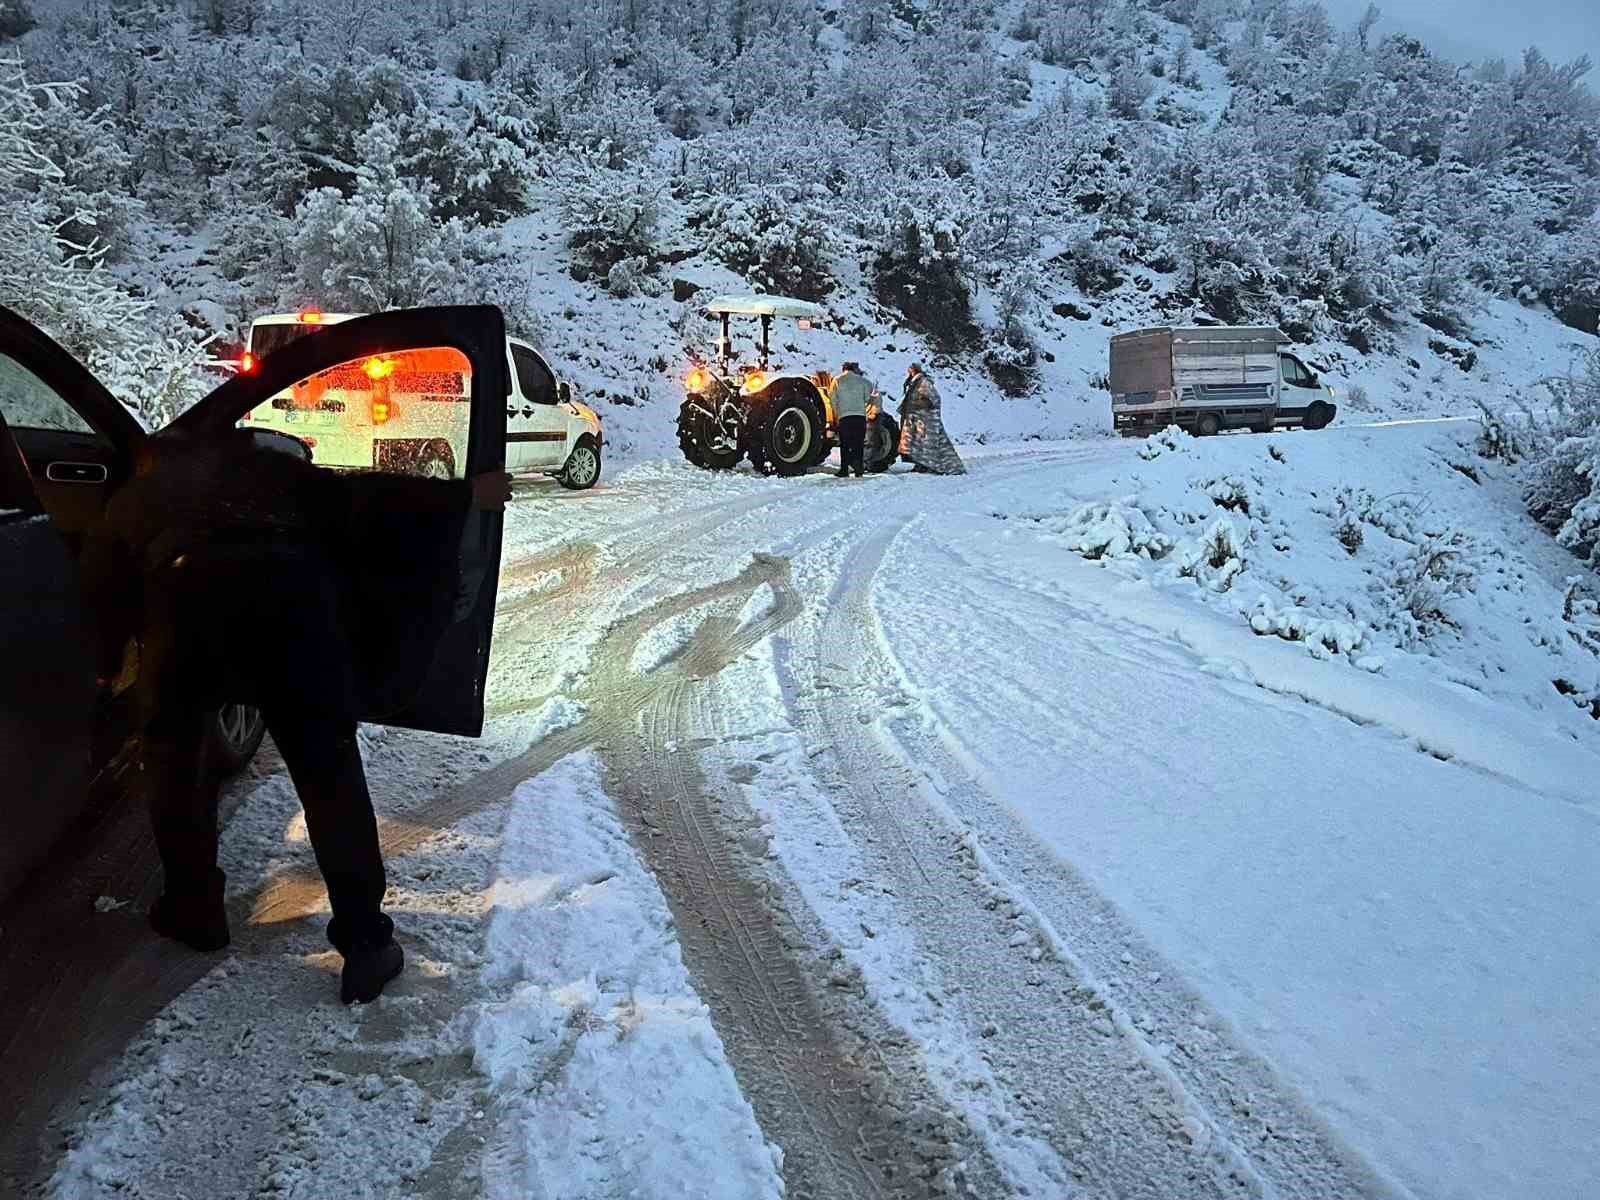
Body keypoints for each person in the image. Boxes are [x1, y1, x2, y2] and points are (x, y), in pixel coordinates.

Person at [81, 427, 512, 1004]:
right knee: (327, 773)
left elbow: (100, 582)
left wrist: (108, 662)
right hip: (293, 621)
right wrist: (465, 495)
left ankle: (195, 908)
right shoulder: (282, 479)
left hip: (187, 619)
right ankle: (365, 943)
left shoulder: (143, 494)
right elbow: (374, 499)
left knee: (174, 761)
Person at [898, 363, 966, 475]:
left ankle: (928, 465)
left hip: (925, 420)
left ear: (914, 370)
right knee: (917, 443)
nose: (908, 371)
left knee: (925, 444)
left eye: (910, 369)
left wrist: (920, 406)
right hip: (915, 419)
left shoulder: (923, 382)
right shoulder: (913, 382)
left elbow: (935, 398)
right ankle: (919, 464)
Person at [831, 360, 874, 479]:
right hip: (859, 416)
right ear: (853, 369)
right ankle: (858, 469)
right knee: (858, 443)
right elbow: (867, 398)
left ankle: (844, 469)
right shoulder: (862, 381)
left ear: (843, 369)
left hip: (844, 417)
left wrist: (837, 413)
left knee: (845, 443)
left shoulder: (837, 380)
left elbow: (833, 399)